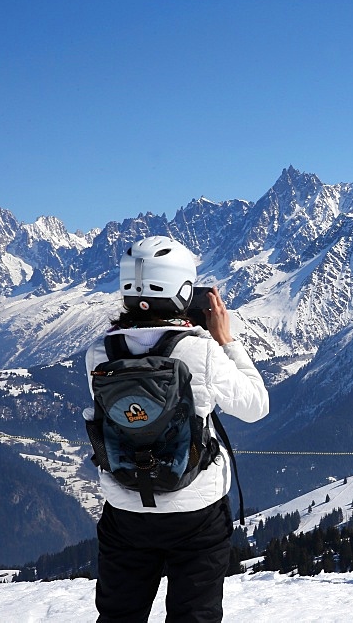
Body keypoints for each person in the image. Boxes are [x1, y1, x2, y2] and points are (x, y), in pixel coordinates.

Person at [84, 236, 268, 622]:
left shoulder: (99, 354)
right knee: (194, 615)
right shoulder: (200, 350)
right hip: (195, 512)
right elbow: (255, 406)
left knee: (119, 614)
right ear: (183, 288)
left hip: (125, 507)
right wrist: (226, 341)